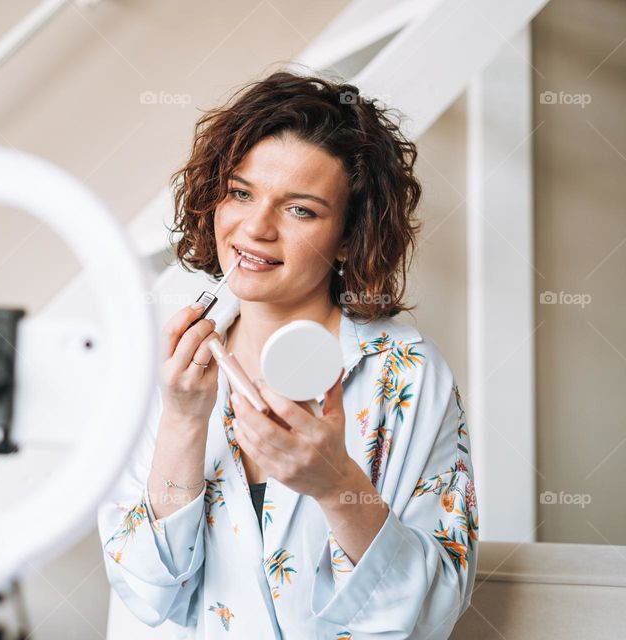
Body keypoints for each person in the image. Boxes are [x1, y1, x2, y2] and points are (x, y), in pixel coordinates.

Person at [98, 69, 478, 639]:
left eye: (300, 209)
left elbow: (431, 613)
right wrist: (181, 422)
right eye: (241, 193)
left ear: (350, 236)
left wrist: (336, 485)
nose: (255, 228)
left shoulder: (410, 374)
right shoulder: (172, 368)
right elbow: (149, 595)